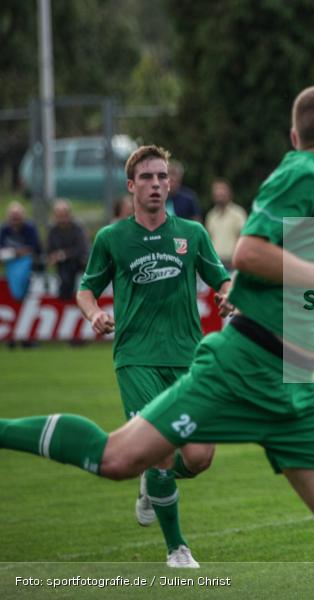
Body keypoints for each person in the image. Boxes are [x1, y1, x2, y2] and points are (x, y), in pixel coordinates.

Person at [1, 84, 314, 599]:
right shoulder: (301, 172)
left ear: (297, 133)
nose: (158, 184)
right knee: (120, 459)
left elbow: (278, 291)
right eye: (149, 177)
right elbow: (250, 254)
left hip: (292, 381)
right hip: (241, 363)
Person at [76, 145, 233, 567]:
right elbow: (86, 287)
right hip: (136, 358)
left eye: (162, 177)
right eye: (147, 178)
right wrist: (94, 314)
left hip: (188, 357)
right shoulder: (112, 238)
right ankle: (176, 547)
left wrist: (228, 296)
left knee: (199, 458)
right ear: (131, 186)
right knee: (162, 449)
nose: (157, 184)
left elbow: (222, 279)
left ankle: (150, 477)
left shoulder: (192, 234)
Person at [46, 199, 89, 300]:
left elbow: (82, 249)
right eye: (59, 216)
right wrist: (52, 257)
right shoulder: (52, 230)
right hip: (61, 264)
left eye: (64, 215)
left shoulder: (78, 228)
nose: (62, 219)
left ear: (69, 214)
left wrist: (63, 254)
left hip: (78, 262)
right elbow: (49, 249)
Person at [1, 201, 42, 303]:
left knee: (20, 286)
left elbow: (34, 248)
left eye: (17, 216)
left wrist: (16, 252)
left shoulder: (30, 228)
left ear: (23, 216)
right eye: (13, 216)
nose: (15, 219)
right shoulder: (4, 229)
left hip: (27, 261)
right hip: (10, 261)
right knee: (16, 292)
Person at [205, 178, 247, 268]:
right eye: (217, 191)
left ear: (230, 193)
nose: (219, 194)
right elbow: (208, 240)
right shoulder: (211, 216)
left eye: (222, 191)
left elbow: (243, 238)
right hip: (216, 263)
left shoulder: (238, 214)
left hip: (232, 263)